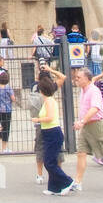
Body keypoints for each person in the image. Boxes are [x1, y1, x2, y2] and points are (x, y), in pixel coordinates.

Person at [30, 68, 76, 196]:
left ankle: (67, 181)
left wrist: (37, 119)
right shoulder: (46, 100)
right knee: (51, 160)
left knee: (49, 162)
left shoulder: (49, 101)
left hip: (53, 132)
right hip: (48, 132)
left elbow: (50, 117)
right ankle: (53, 187)